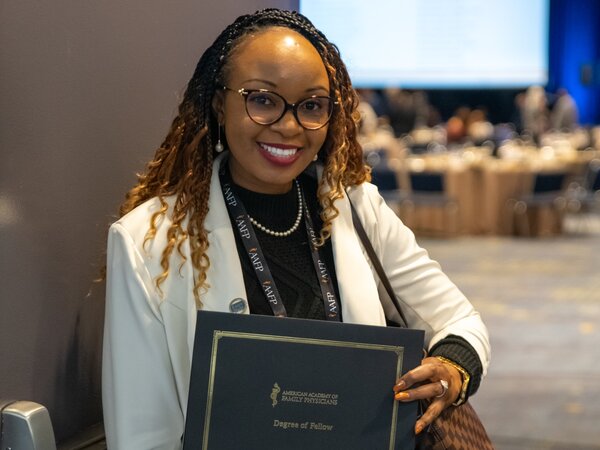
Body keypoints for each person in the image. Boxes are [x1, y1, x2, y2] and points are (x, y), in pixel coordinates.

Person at [102, 8, 490, 449]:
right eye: (262, 99)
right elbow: (142, 437)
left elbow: (461, 321)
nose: (289, 127)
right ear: (218, 102)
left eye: (311, 106)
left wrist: (451, 372)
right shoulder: (147, 242)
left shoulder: (356, 207)